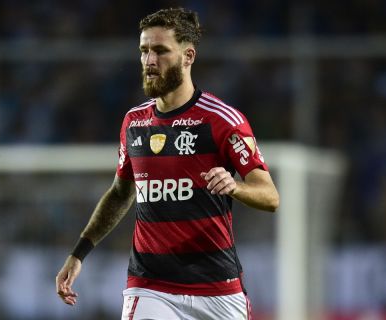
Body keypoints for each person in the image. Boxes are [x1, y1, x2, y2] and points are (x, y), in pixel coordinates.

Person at [56, 7, 279, 320]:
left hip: (218, 288)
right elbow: (120, 194)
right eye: (144, 51)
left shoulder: (222, 120)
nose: (149, 61)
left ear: (188, 56)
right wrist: (79, 253)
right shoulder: (134, 122)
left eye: (160, 51)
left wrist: (236, 187)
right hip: (150, 286)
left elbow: (270, 196)